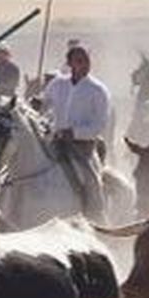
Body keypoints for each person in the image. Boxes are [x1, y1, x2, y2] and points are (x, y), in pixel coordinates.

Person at [41, 44, 111, 219]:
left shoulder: (98, 90)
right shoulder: (58, 84)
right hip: (55, 141)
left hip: (82, 147)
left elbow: (100, 124)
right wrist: (37, 103)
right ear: (70, 63)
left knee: (90, 180)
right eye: (79, 60)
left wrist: (75, 133)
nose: (85, 64)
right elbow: (44, 103)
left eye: (87, 60)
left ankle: (97, 215)